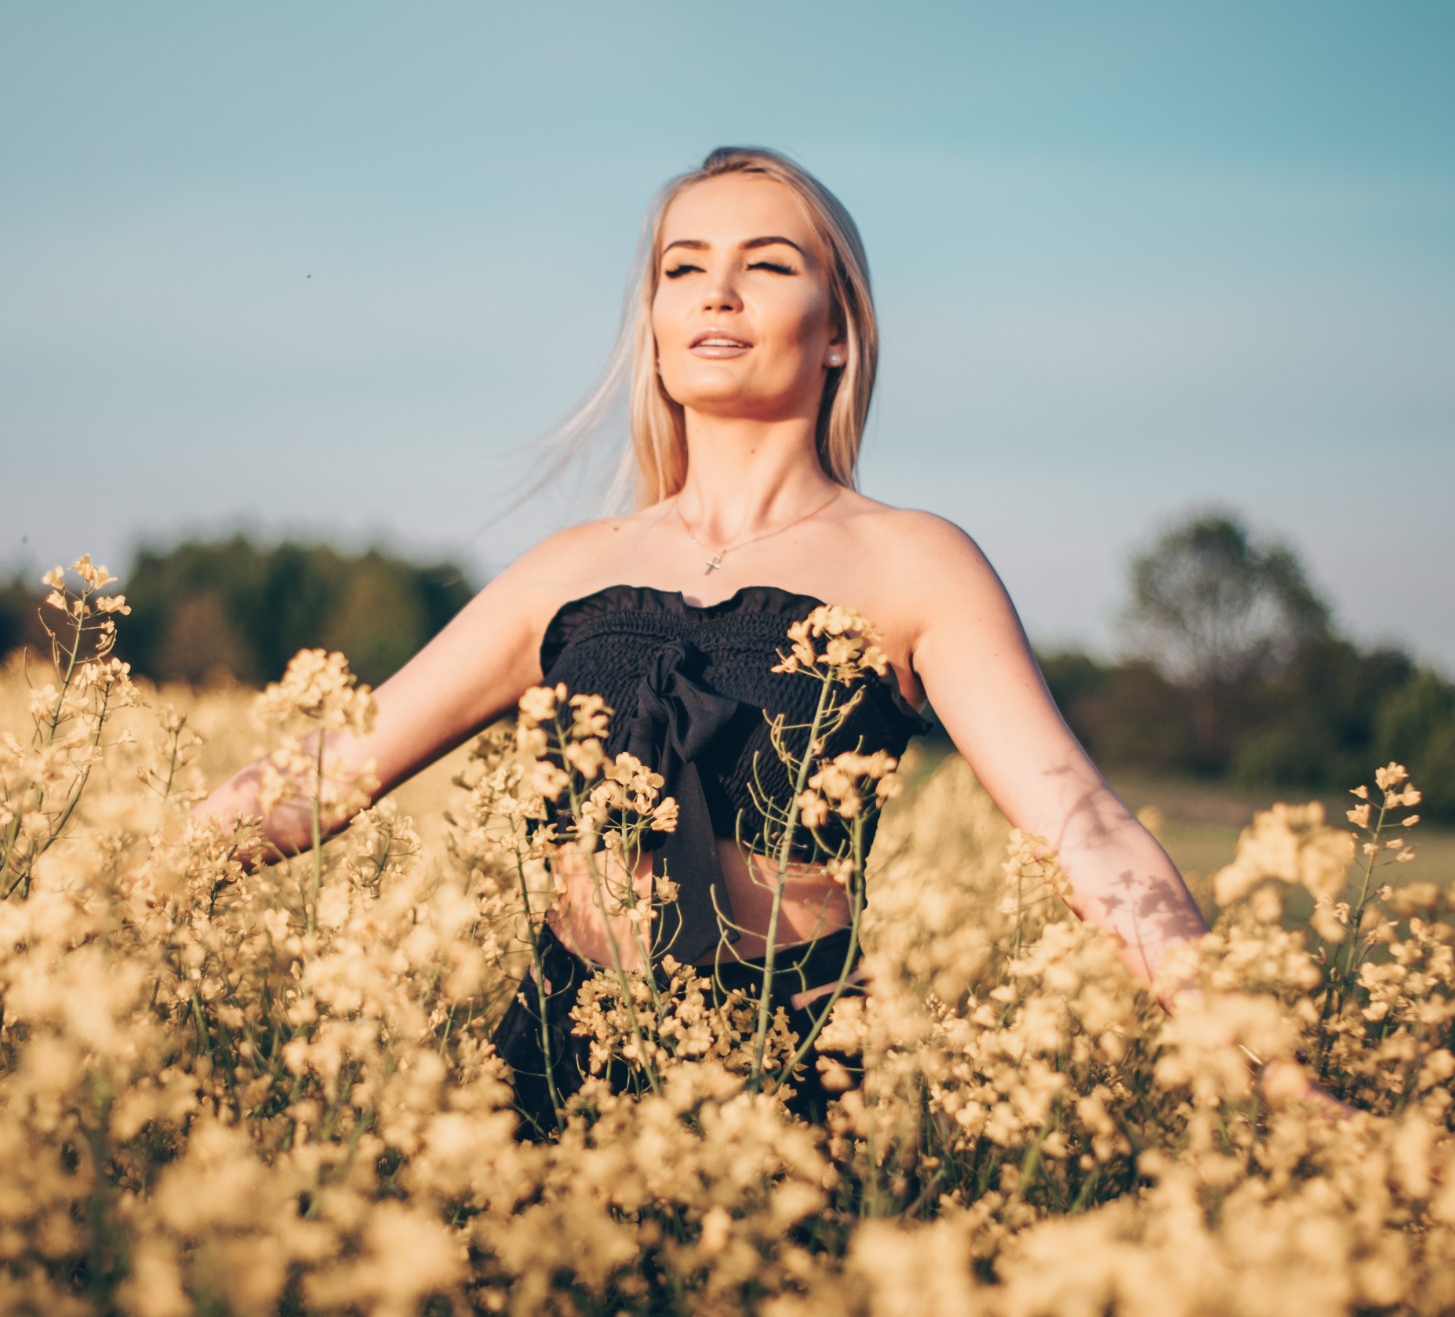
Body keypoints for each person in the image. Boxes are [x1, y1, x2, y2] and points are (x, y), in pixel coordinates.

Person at [196, 145, 1322, 1135]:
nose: (717, 292)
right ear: (653, 324)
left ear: (837, 332)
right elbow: (327, 772)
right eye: (682, 267)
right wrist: (133, 888)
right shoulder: (567, 569)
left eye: (767, 265)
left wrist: (1260, 1063)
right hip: (552, 1061)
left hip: (788, 1069)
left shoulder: (914, 562)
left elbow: (1085, 829)